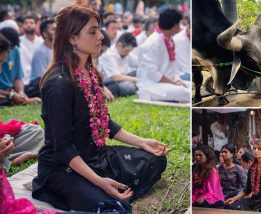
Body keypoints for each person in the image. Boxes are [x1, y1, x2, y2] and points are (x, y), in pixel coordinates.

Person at [31, 6, 168, 212]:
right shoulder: (58, 84)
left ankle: (104, 187)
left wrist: (143, 142)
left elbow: (105, 123)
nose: (101, 36)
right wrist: (99, 182)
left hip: (96, 156)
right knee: (115, 208)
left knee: (155, 160)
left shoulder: (91, 72)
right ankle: (101, 190)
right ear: (72, 39)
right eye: (93, 31)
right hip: (65, 167)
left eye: (99, 30)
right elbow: (64, 148)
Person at [136, 7, 190, 103]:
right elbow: (153, 74)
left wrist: (178, 81)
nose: (181, 27)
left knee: (190, 86)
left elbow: (172, 70)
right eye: (180, 23)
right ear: (174, 25)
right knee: (185, 93)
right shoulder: (152, 43)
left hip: (167, 83)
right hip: (151, 85)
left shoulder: (169, 39)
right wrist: (174, 83)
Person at [224, 141, 261, 212]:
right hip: (254, 200)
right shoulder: (252, 167)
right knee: (232, 206)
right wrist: (234, 198)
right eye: (254, 148)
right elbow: (247, 190)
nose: (256, 151)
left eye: (258, 149)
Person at [0, 28, 41, 106]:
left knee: (40, 85)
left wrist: (21, 92)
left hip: (10, 90)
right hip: (5, 93)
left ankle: (20, 99)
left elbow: (18, 77)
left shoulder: (16, 51)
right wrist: (10, 95)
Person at [99, 32, 138, 97]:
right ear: (119, 45)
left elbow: (139, 63)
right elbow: (115, 77)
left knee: (139, 71)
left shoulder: (126, 53)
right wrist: (137, 80)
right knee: (127, 87)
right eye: (127, 51)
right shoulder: (109, 55)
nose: (128, 53)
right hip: (112, 82)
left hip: (124, 77)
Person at [27, 18, 56, 98]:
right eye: (53, 29)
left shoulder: (58, 49)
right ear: (45, 34)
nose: (57, 32)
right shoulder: (41, 51)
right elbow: (42, 77)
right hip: (38, 83)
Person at [19, 14, 44, 85]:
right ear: (22, 25)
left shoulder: (42, 41)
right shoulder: (18, 41)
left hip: (39, 77)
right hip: (23, 78)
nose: (28, 25)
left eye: (31, 23)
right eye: (26, 23)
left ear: (36, 25)